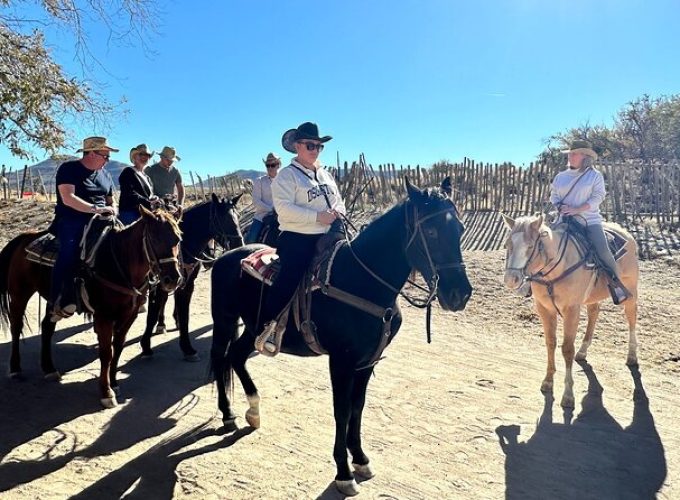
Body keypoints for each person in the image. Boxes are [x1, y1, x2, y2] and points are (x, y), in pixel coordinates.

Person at [255, 122, 346, 355]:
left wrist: (338, 214)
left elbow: (338, 201)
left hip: (330, 234)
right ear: (297, 146)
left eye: (318, 146)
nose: (315, 150)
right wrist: (318, 217)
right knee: (292, 273)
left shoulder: (325, 175)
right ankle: (271, 325)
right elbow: (283, 209)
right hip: (298, 237)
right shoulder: (286, 176)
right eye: (310, 145)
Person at [550, 140, 630, 304]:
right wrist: (559, 206)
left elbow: (598, 197)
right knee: (541, 243)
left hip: (588, 220)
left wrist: (578, 209)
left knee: (603, 251)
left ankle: (616, 285)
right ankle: (530, 283)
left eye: (574, 153)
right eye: (570, 154)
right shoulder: (561, 176)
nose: (571, 156)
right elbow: (554, 195)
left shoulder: (594, 176)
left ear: (585, 156)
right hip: (563, 219)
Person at [50, 136, 118, 320]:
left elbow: (112, 200)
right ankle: (56, 299)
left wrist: (112, 210)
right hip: (73, 218)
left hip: (103, 220)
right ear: (92, 153)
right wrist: (95, 209)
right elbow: (68, 198)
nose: (107, 160)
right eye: (105, 156)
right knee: (68, 253)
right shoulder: (69, 169)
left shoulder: (106, 175)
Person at [118, 144, 159, 225]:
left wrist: (155, 199)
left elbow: (149, 195)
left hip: (145, 213)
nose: (144, 157)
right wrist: (148, 202)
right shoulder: (128, 171)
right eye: (141, 154)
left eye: (147, 155)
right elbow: (129, 193)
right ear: (134, 157)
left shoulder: (147, 178)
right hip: (130, 213)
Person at [246, 152, 280, 244]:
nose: (269, 168)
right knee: (251, 239)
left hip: (282, 215)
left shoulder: (284, 181)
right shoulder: (259, 181)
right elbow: (256, 201)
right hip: (262, 216)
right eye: (267, 165)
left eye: (272, 165)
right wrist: (271, 209)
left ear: (278, 165)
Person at [145, 145, 185, 213]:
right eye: (168, 160)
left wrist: (180, 204)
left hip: (171, 205)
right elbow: (144, 188)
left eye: (172, 160)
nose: (170, 162)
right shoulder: (151, 170)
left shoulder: (175, 171)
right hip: (155, 206)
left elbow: (180, 188)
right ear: (161, 157)